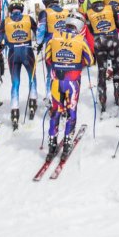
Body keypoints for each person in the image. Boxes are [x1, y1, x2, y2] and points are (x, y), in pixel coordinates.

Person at [42, 14, 94, 162]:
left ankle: (51, 145)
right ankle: (66, 145)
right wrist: (77, 63)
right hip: (72, 82)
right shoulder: (80, 40)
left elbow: (47, 57)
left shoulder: (54, 37)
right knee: (71, 113)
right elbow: (90, 60)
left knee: (56, 112)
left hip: (56, 81)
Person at [83, 0, 119, 111]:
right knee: (116, 66)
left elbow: (90, 30)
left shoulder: (88, 13)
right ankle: (117, 92)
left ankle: (102, 96)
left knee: (102, 69)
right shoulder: (110, 8)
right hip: (113, 40)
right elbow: (118, 24)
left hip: (99, 42)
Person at [4, 0, 38, 129]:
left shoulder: (6, 21)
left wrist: (6, 41)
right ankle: (33, 102)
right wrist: (40, 43)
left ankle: (14, 110)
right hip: (27, 51)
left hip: (13, 53)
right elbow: (38, 33)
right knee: (32, 78)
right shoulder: (28, 19)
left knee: (15, 83)